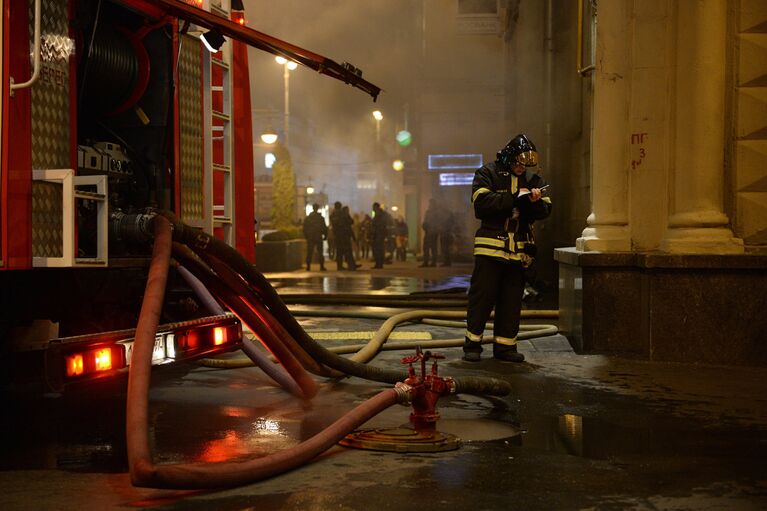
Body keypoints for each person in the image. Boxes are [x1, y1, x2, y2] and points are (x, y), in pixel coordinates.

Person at [463, 133, 552, 363]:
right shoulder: (487, 173)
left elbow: (545, 210)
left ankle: (505, 347)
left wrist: (533, 203)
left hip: (519, 251)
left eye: (525, 165)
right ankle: (472, 345)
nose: (521, 168)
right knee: (482, 298)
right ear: (508, 158)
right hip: (490, 248)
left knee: (512, 300)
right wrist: (513, 199)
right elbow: (481, 205)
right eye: (517, 163)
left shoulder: (534, 181)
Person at [302, 203, 327, 271]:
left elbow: (304, 228)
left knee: (309, 252)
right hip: (318, 236)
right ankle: (321, 266)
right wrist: (325, 235)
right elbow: (324, 227)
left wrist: (306, 236)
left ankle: (308, 266)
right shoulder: (320, 218)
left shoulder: (308, 218)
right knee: (320, 252)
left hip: (310, 237)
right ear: (317, 208)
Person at [370, 202, 391, 269]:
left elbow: (380, 224)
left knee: (378, 249)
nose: (372, 208)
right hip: (378, 234)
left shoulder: (380, 215)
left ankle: (379, 264)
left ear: (376, 207)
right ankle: (378, 263)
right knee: (378, 249)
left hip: (379, 234)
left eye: (373, 207)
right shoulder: (379, 214)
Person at [420, 198, 439, 267]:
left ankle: (433, 262)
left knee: (433, 248)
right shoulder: (428, 212)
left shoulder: (436, 212)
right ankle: (426, 261)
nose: (430, 205)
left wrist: (434, 229)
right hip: (428, 232)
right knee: (426, 247)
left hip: (433, 232)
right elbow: (425, 221)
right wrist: (424, 226)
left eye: (431, 203)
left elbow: (438, 223)